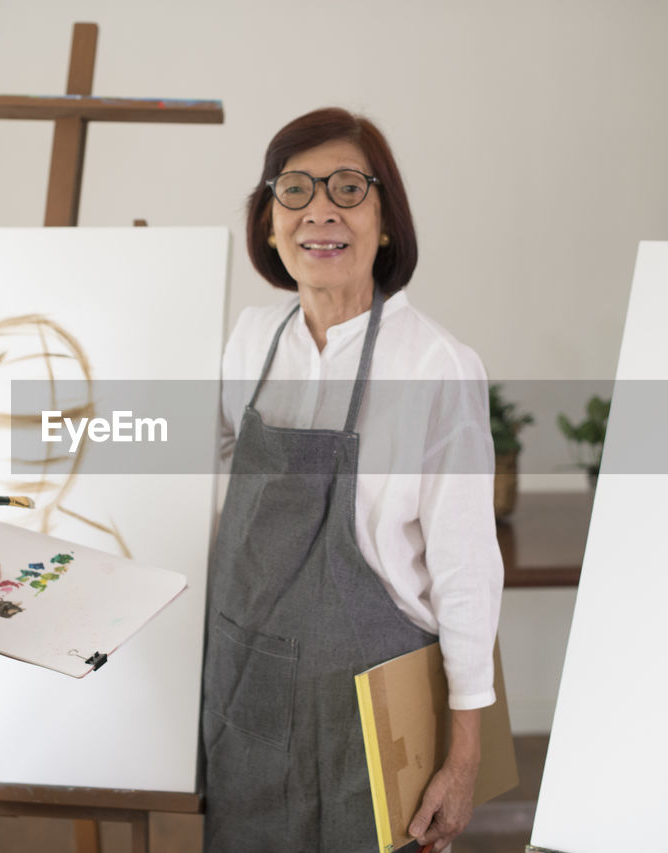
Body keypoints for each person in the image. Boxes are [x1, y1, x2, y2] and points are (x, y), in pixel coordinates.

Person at [202, 107, 503, 853]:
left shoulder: (435, 367)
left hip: (369, 721)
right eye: (295, 190)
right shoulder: (250, 341)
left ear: (387, 221)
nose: (320, 211)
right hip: (247, 703)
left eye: (347, 188)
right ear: (269, 225)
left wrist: (466, 754)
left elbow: (467, 569)